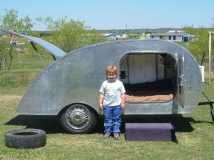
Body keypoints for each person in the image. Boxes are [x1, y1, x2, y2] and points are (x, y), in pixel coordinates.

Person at [99, 65, 126, 139]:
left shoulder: (119, 83)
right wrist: (100, 103)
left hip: (117, 105)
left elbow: (123, 94)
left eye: (113, 74)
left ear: (116, 74)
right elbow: (101, 94)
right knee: (107, 119)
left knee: (117, 119)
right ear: (107, 75)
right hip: (107, 106)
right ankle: (107, 131)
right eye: (109, 74)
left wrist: (123, 103)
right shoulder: (105, 83)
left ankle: (116, 132)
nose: (111, 76)